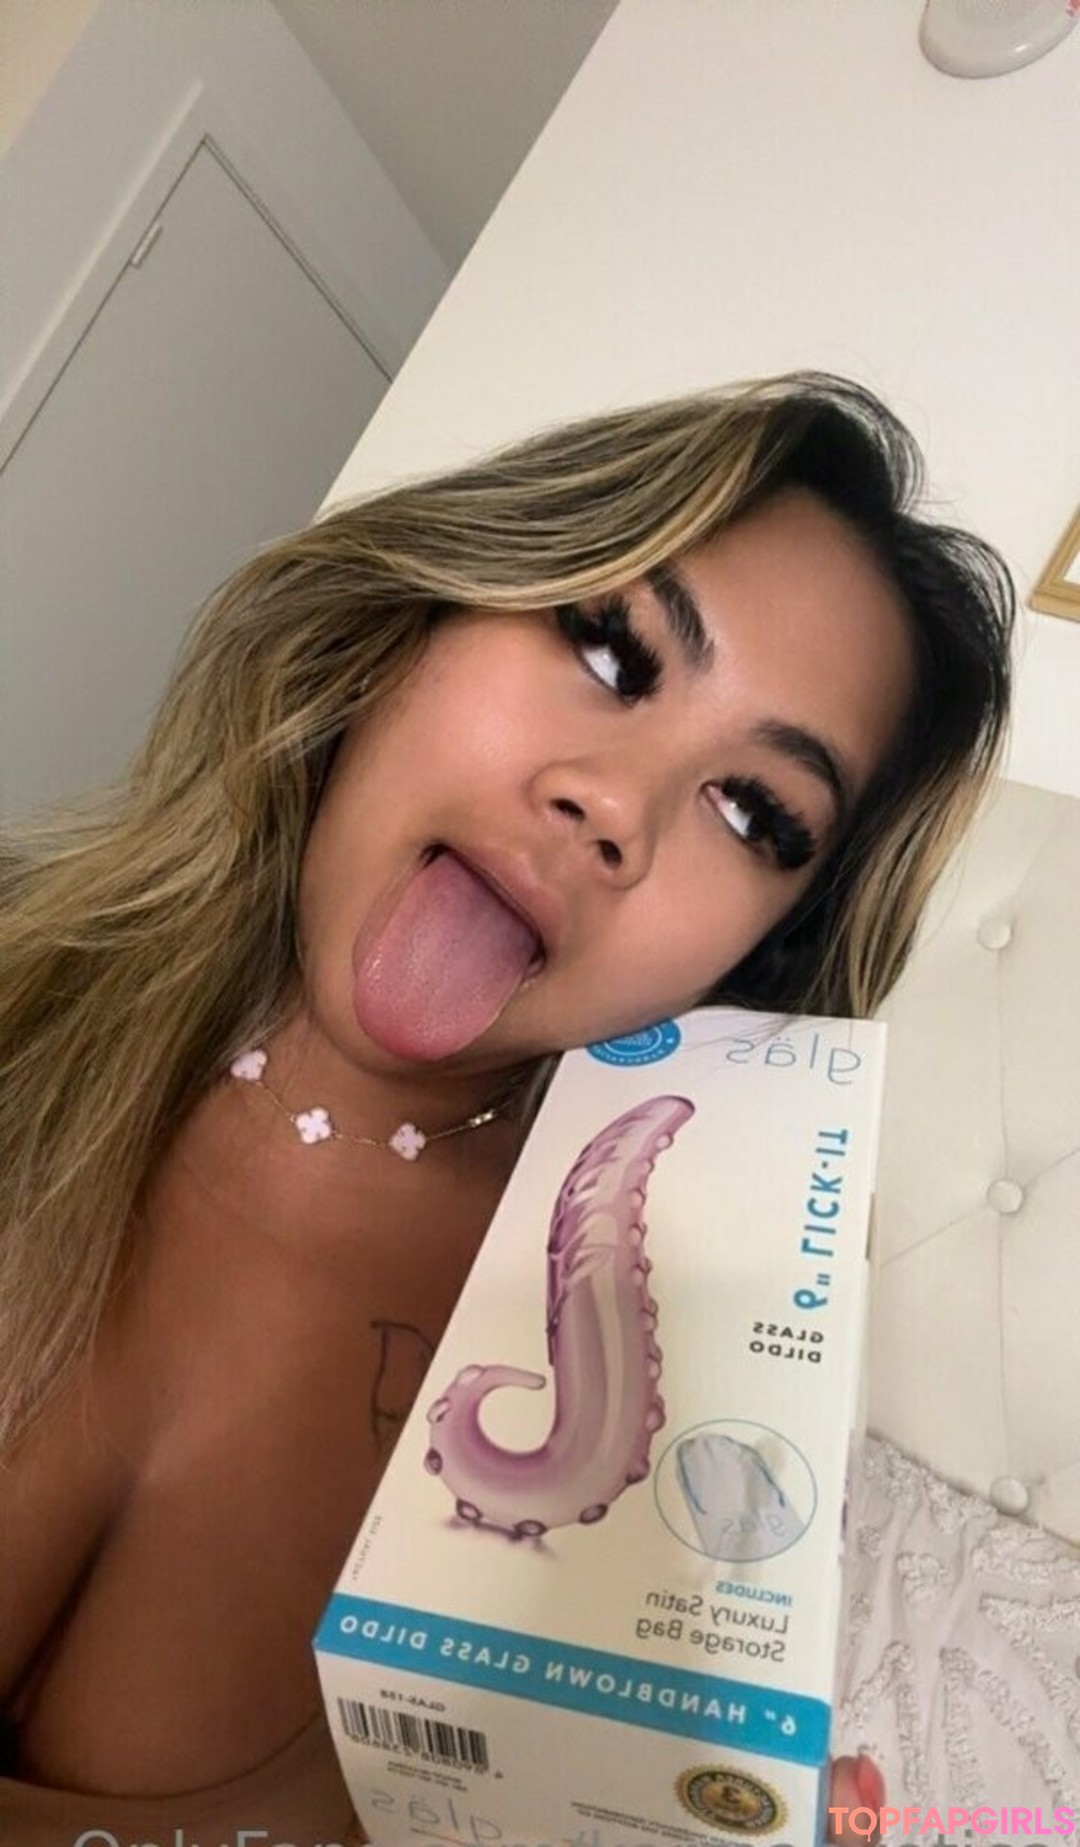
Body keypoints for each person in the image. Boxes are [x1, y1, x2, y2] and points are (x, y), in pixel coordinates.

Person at [0, 373, 1012, 1846]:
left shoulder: (669, 1347)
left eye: (755, 813)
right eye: (610, 648)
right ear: (425, 611)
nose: (617, 807)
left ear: (763, 951)